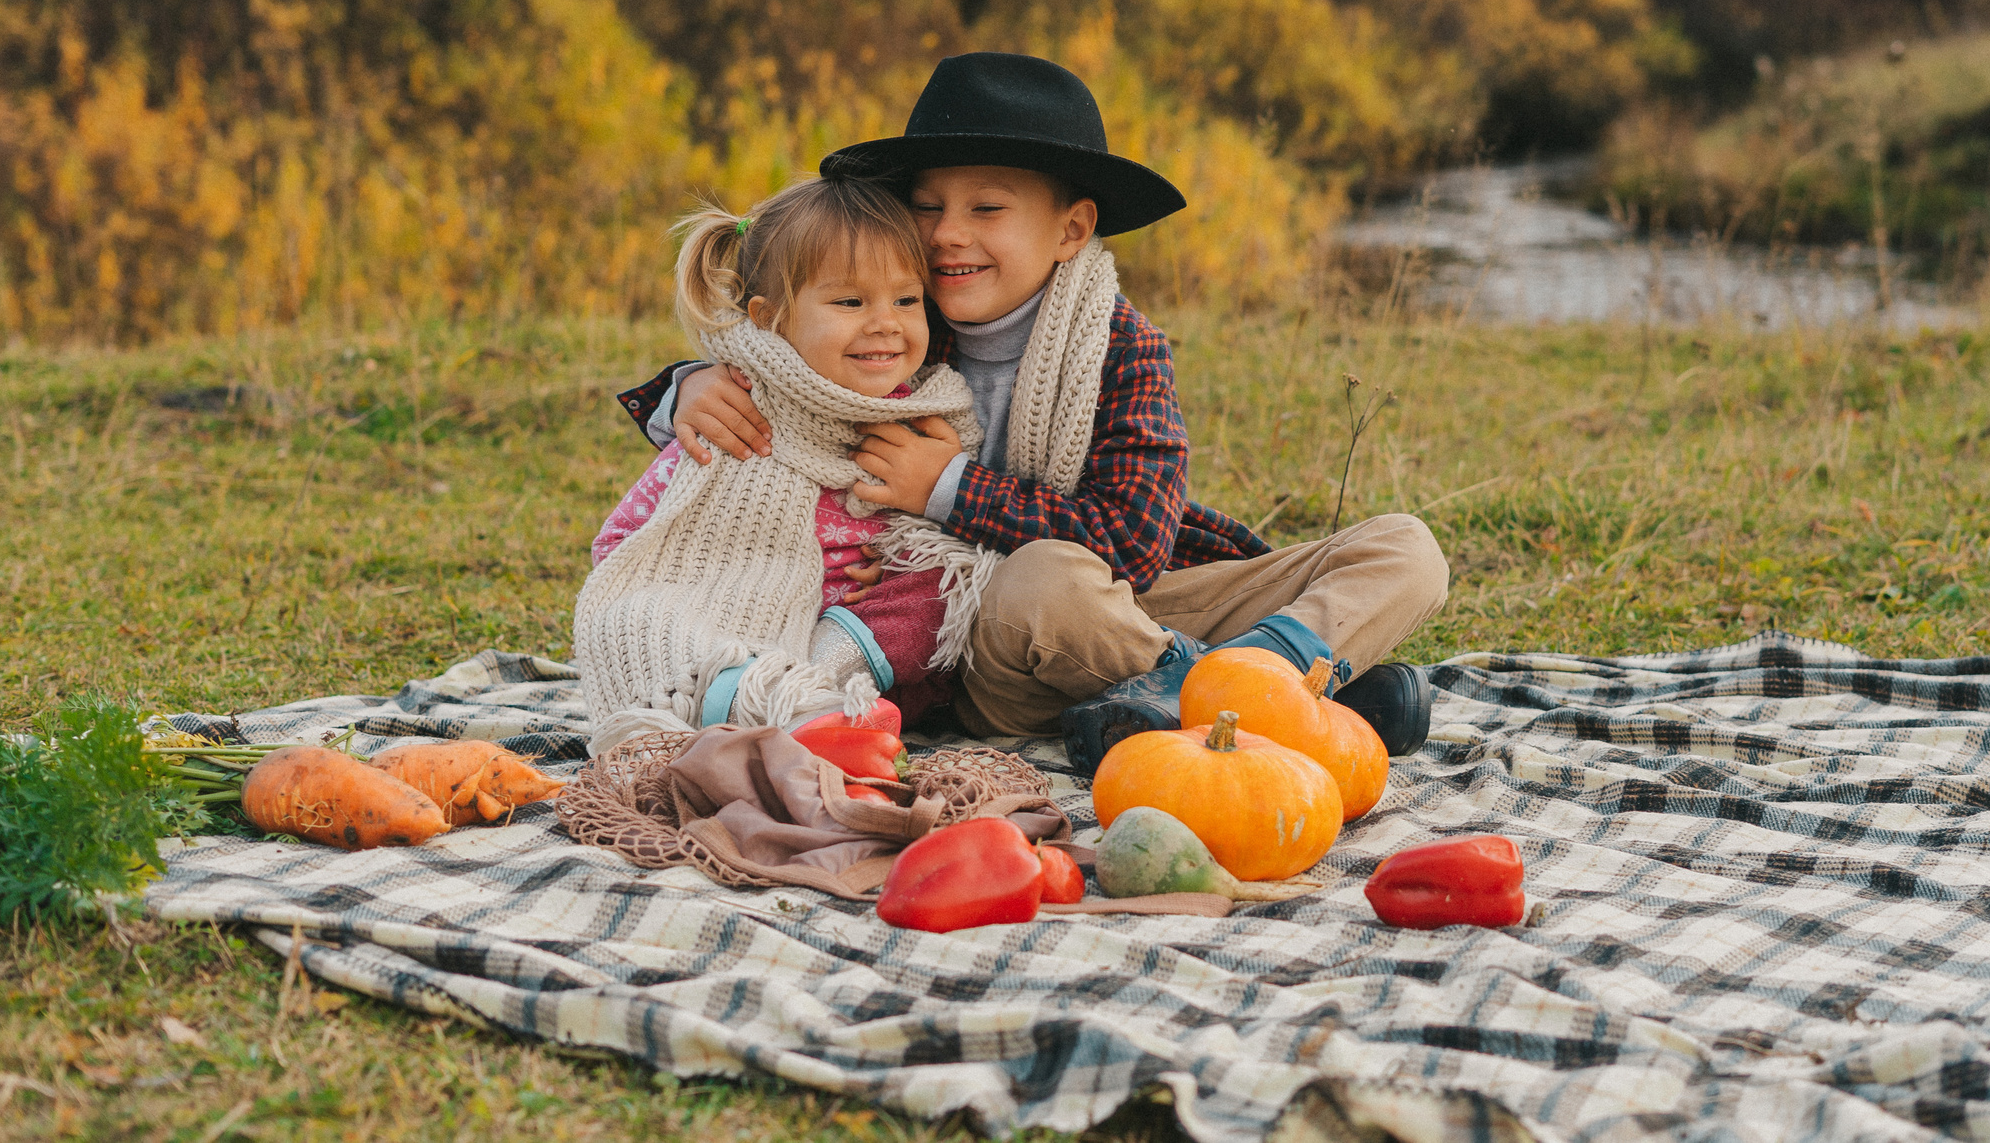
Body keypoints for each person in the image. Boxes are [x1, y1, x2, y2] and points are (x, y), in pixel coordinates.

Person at [615, 52, 1450, 772]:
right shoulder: (897, 321)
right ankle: (1280, 702)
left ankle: (1235, 680)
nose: (948, 234)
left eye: (987, 208)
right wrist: (686, 387)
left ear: (1070, 229)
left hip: (1131, 605)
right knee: (1042, 580)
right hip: (984, 637)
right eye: (929, 205)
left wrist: (946, 487)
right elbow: (785, 347)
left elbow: (1133, 545)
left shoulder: (1120, 347)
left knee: (1406, 548)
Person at [577, 175, 1002, 758]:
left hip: (860, 637)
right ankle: (755, 697)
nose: (886, 322)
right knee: (632, 616)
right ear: (771, 317)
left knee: (949, 583)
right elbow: (626, 544)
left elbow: (947, 530)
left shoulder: (929, 418)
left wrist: (903, 558)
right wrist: (686, 590)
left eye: (906, 300)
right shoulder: (738, 413)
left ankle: (816, 691)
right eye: (850, 302)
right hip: (736, 626)